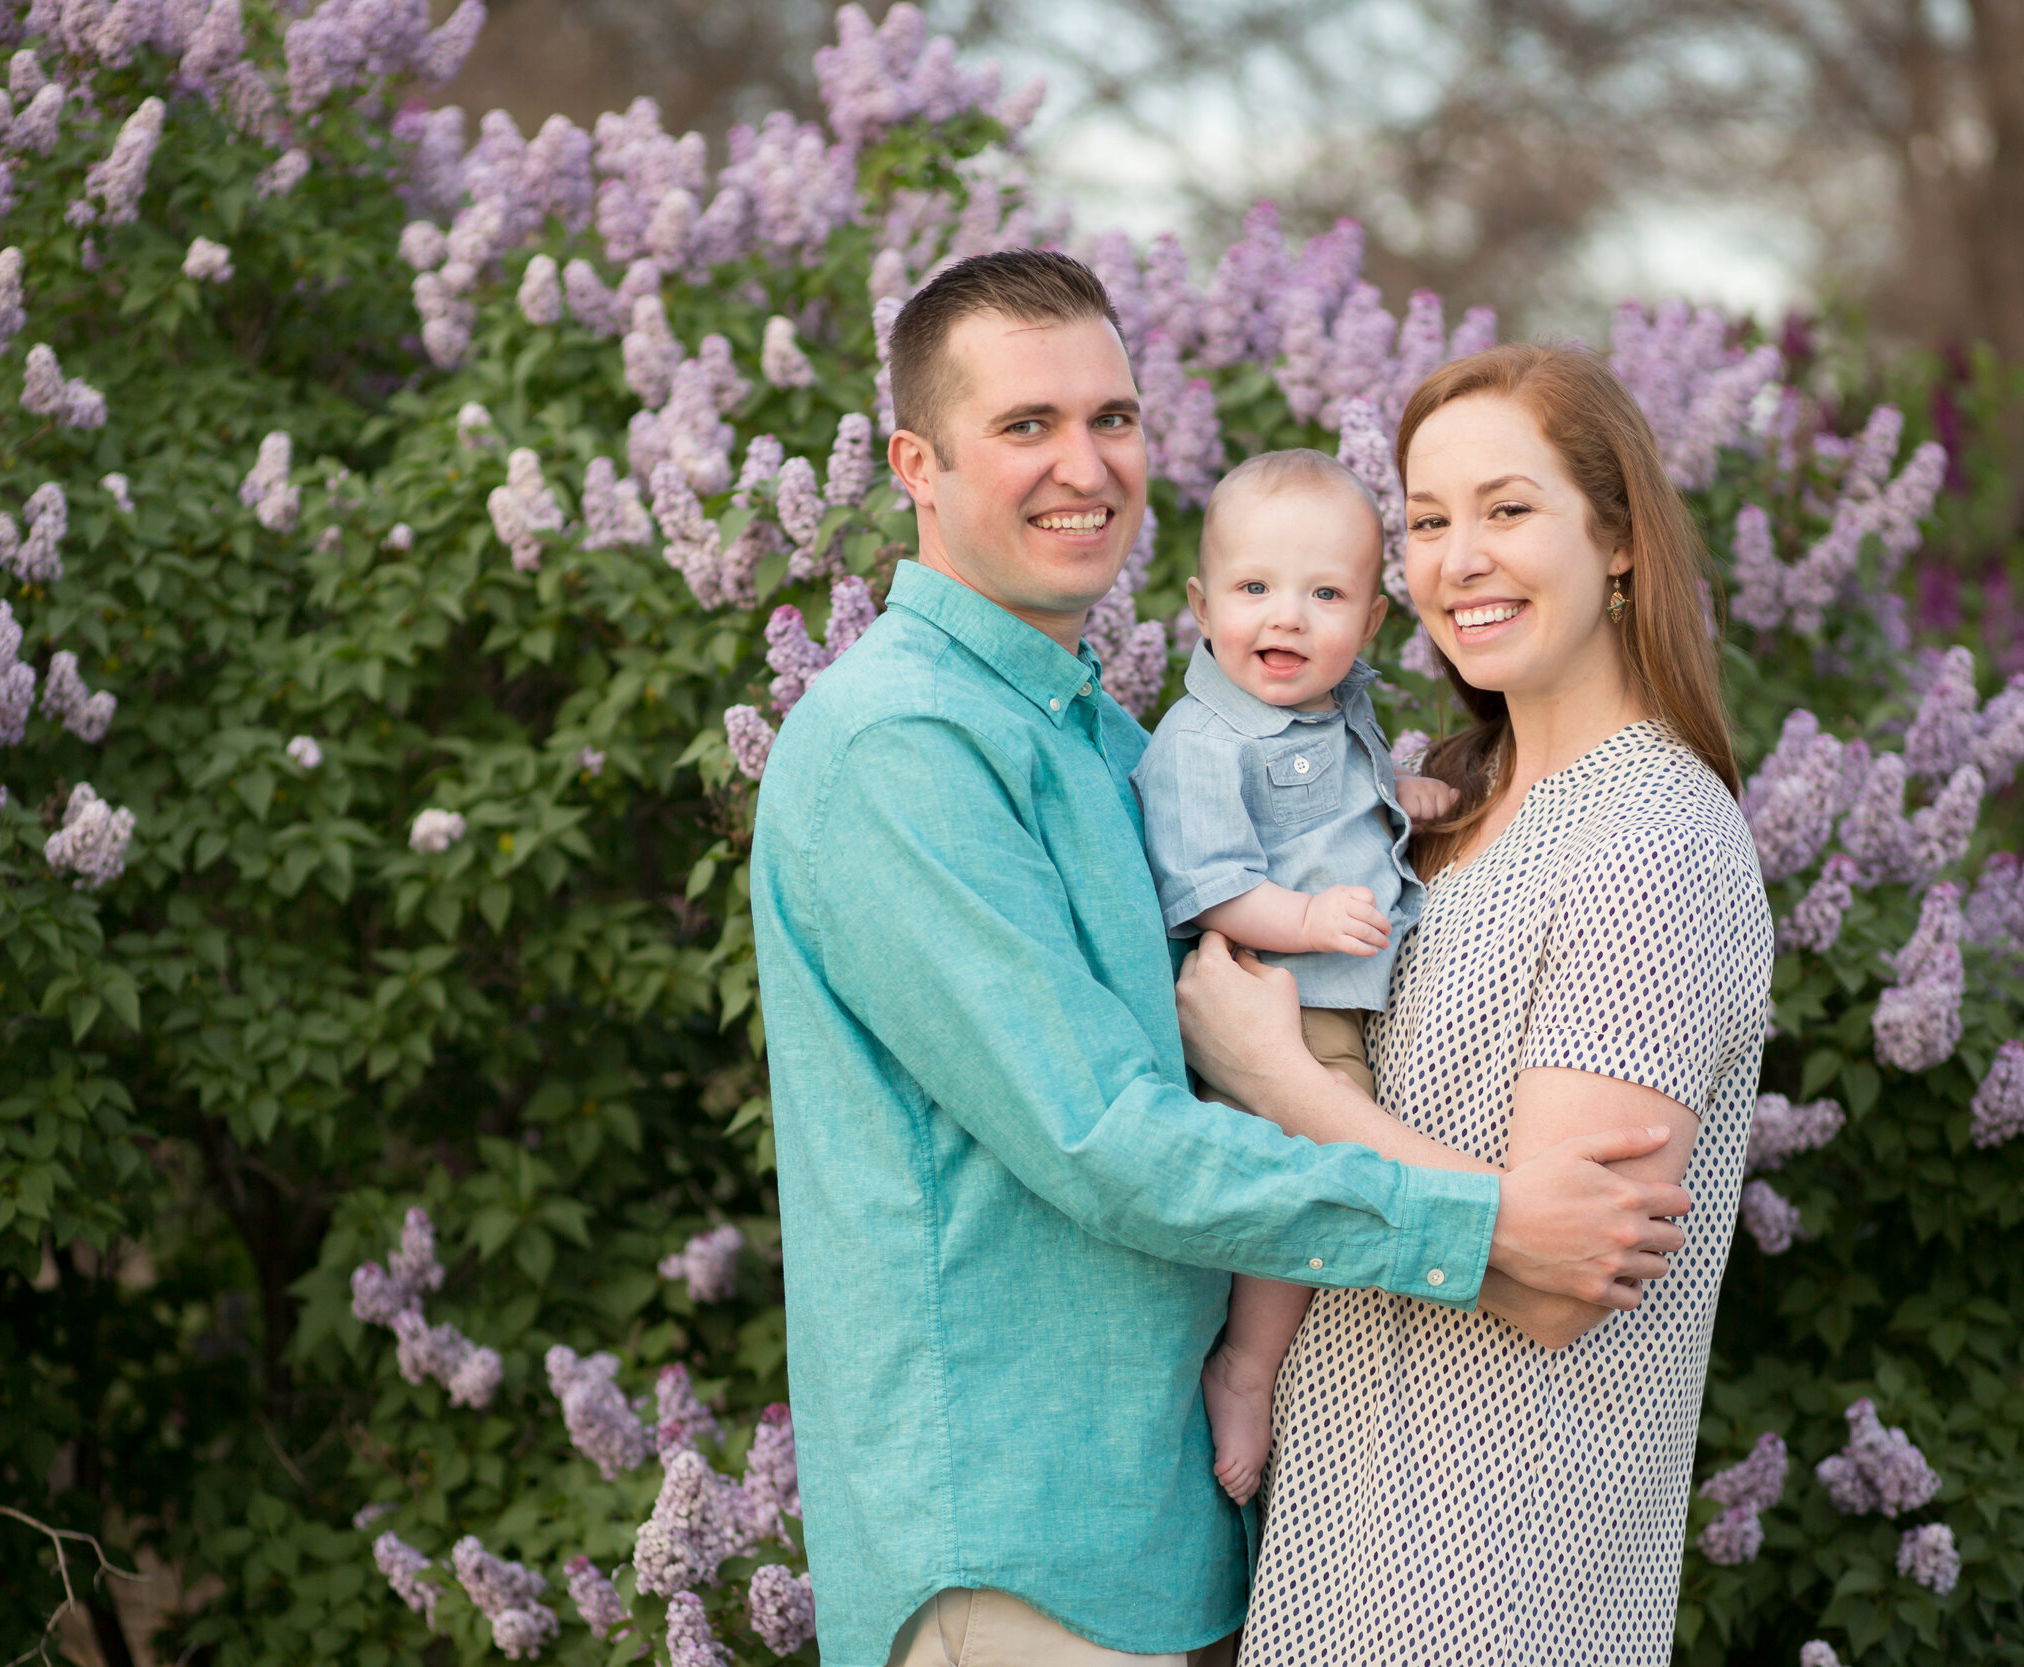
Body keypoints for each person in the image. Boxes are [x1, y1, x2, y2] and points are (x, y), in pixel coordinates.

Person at [750, 251, 1697, 1667]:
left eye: (1113, 417)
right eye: (1025, 425)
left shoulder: (1111, 746)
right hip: (1015, 1547)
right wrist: (1489, 1217)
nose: (1085, 463)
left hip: (1162, 1533)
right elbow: (1107, 1143)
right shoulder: (902, 748)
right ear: (916, 463)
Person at [1182, 342, 1775, 1665]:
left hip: (1496, 1584)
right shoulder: (1437, 812)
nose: (1458, 559)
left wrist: (1279, 1080)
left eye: (1508, 509)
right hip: (1335, 1551)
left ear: (1617, 537)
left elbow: (1562, 1283)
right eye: (1429, 521)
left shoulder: (1651, 841)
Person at [1130, 449, 1459, 1504]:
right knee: (1322, 1161)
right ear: (1199, 603)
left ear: (1368, 624)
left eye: (1324, 595)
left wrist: (1398, 794)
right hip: (1280, 996)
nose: (1287, 617)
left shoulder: (1334, 701)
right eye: (1255, 587)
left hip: (1329, 995)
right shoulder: (1203, 738)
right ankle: (1248, 1365)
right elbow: (1212, 885)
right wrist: (1310, 916)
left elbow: (1327, 799)